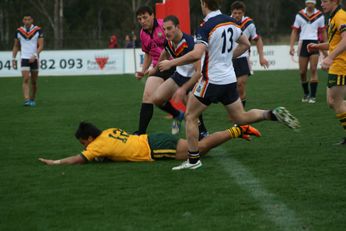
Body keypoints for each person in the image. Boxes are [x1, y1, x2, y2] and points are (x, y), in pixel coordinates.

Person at [159, 0, 300, 170]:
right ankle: (272, 114)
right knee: (241, 117)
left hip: (211, 80)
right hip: (229, 79)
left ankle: (193, 160)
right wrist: (227, 58)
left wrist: (171, 63)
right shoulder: (231, 20)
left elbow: (196, 54)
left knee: (190, 116)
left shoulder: (205, 25)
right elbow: (246, 44)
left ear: (204, 3)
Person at [38, 121, 261, 165]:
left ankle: (237, 130)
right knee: (200, 150)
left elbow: (79, 159)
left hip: (154, 148)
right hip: (153, 139)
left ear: (88, 139)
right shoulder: (108, 132)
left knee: (199, 150)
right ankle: (236, 132)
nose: (84, 147)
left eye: (83, 143)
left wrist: (56, 162)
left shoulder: (96, 146)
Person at [148, 15, 208, 138]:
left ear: (178, 27)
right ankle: (177, 115)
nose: (166, 32)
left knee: (192, 115)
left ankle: (203, 132)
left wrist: (183, 89)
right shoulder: (169, 42)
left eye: (169, 28)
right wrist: (154, 69)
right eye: (164, 29)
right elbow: (164, 53)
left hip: (193, 81)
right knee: (156, 99)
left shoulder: (190, 43)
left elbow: (198, 73)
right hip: (178, 76)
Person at [134, 6, 183, 135]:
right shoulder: (142, 33)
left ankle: (201, 132)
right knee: (149, 96)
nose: (142, 21)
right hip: (159, 67)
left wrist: (155, 68)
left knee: (187, 98)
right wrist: (143, 70)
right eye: (139, 19)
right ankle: (141, 134)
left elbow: (173, 45)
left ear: (152, 15)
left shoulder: (164, 25)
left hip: (175, 63)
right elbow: (148, 54)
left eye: (145, 17)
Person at [307, 0, 346, 145]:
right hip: (336, 65)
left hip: (341, 65)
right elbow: (335, 43)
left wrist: (330, 57)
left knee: (337, 103)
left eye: (325, 1)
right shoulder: (332, 17)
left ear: (335, 1)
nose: (322, 4)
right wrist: (318, 46)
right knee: (332, 102)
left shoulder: (340, 16)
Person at [230, 1, 269, 107]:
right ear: (231, 13)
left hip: (243, 57)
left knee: (240, 84)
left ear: (243, 13)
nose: (237, 15)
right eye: (235, 13)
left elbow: (258, 39)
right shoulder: (227, 22)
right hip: (228, 59)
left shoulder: (249, 24)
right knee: (231, 87)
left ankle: (241, 113)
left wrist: (261, 57)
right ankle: (234, 110)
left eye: (239, 13)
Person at [290, 0, 327, 104]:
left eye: (311, 3)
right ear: (306, 3)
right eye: (308, 3)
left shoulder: (320, 15)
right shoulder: (299, 15)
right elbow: (294, 31)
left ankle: (313, 96)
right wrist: (292, 46)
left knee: (314, 69)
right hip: (303, 43)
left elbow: (323, 31)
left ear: (314, 3)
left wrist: (326, 44)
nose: (309, 5)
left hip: (314, 42)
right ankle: (306, 93)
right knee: (302, 72)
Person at [12, 14, 44, 107]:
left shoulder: (38, 30)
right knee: (26, 79)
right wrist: (13, 58)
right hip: (24, 58)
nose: (27, 21)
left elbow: (41, 46)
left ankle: (32, 99)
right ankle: (26, 100)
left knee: (34, 81)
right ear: (23, 21)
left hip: (34, 58)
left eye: (28, 19)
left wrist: (35, 55)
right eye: (25, 19)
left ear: (32, 20)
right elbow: (16, 46)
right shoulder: (19, 31)